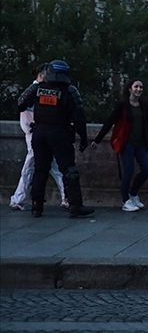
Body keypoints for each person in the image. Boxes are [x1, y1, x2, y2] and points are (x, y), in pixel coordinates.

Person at [16, 60, 94, 218]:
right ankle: (75, 206)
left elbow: (20, 104)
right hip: (59, 133)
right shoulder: (69, 91)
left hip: (39, 132)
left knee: (40, 170)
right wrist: (83, 138)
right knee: (69, 170)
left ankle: (37, 206)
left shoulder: (37, 88)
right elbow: (79, 118)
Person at [10, 63, 68, 211]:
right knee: (37, 166)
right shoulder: (38, 90)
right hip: (37, 133)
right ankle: (19, 198)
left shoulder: (35, 89)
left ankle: (20, 198)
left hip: (35, 134)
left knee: (42, 166)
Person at [91, 78, 148, 212]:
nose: (139, 90)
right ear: (130, 89)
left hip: (140, 143)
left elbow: (146, 125)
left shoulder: (143, 105)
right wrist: (97, 139)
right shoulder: (123, 105)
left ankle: (133, 194)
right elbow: (110, 122)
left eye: (141, 87)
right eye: (136, 87)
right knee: (128, 171)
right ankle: (125, 201)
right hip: (127, 142)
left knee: (147, 169)